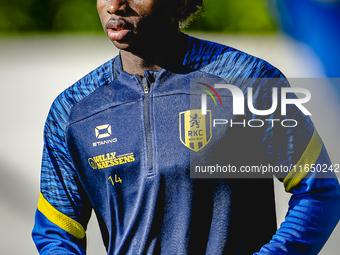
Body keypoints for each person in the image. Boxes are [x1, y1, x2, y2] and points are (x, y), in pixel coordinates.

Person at [32, 0, 340, 254]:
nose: (115, 6)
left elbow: (319, 191)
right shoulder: (72, 111)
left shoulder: (249, 81)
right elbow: (56, 233)